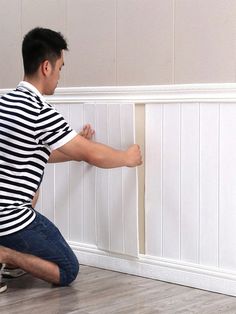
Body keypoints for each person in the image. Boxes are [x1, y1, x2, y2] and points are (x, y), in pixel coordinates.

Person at [0, 27, 142, 292]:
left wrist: (74, 147)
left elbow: (32, 153)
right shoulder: (39, 110)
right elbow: (91, 154)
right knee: (67, 270)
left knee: (33, 189)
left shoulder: (6, 103)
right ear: (46, 67)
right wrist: (126, 157)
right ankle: (6, 254)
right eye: (60, 68)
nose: (59, 76)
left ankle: (10, 258)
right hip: (9, 218)